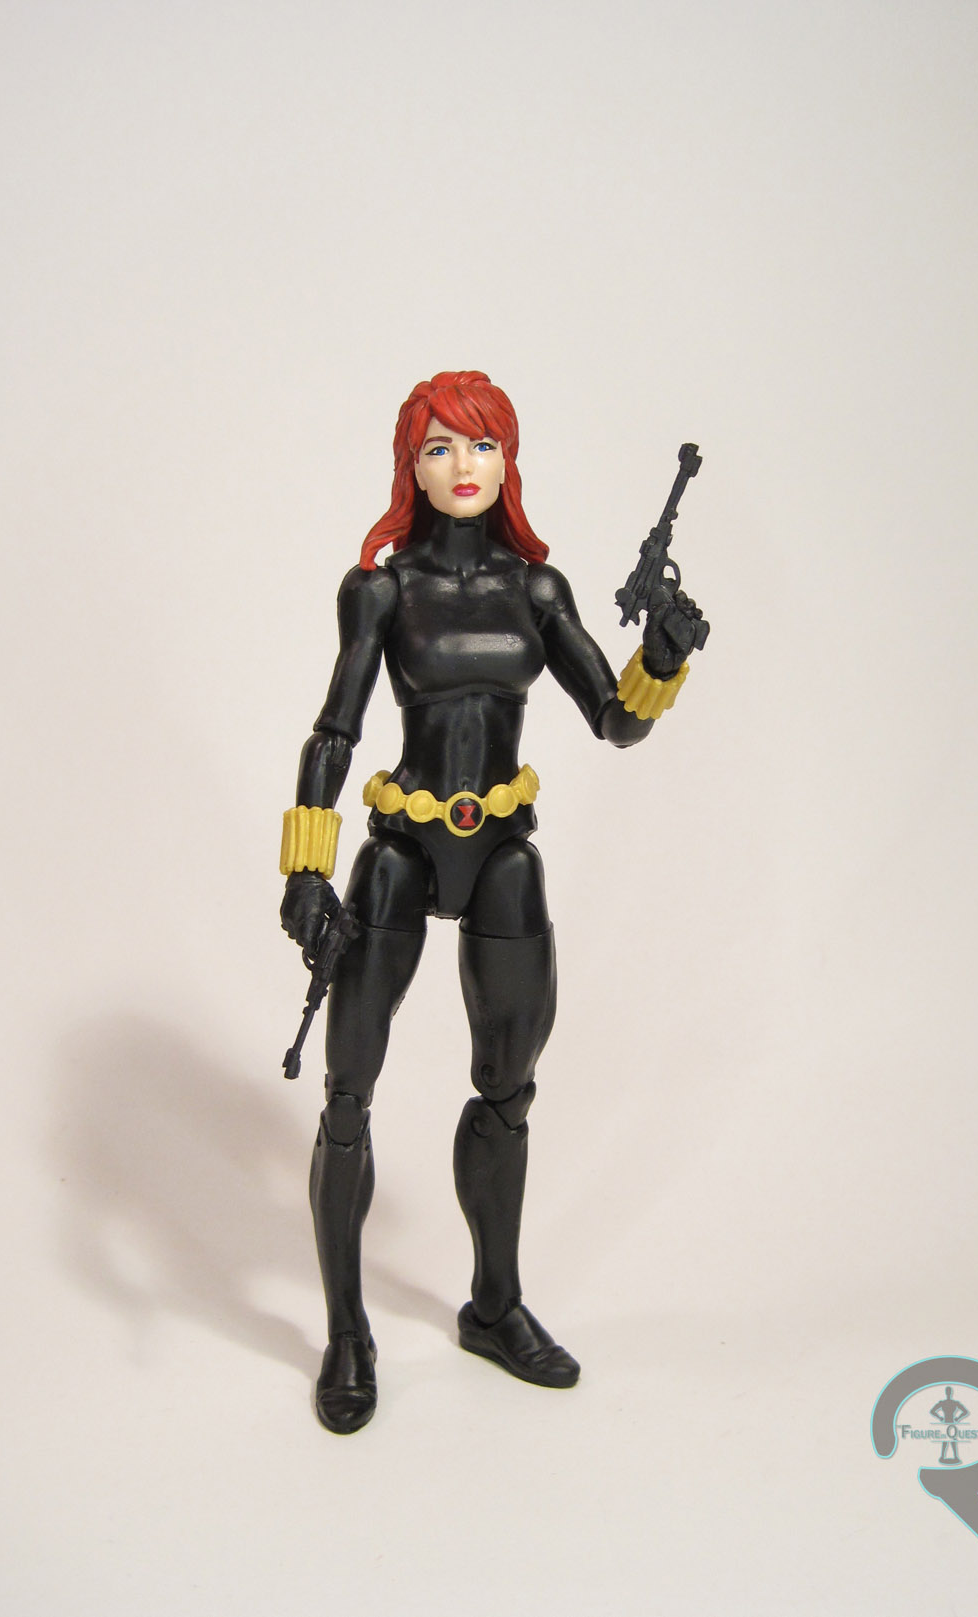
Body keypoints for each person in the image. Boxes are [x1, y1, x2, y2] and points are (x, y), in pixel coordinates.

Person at [279, 370, 707, 1433]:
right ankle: (347, 1330)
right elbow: (334, 731)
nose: (462, 465)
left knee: (508, 1088)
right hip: (399, 849)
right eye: (439, 447)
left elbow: (613, 720)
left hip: (501, 848)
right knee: (347, 1094)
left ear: (507, 460)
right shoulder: (380, 591)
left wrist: (661, 661)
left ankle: (494, 1305)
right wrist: (304, 866)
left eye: (480, 445)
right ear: (411, 466)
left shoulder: (537, 590)